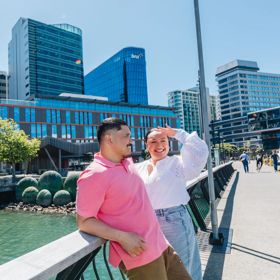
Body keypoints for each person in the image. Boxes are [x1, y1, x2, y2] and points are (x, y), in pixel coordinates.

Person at [76, 118, 191, 280]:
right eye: (127, 136)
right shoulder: (93, 175)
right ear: (109, 139)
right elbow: (84, 222)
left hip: (161, 245)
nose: (131, 141)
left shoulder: (127, 163)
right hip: (140, 255)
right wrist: (122, 237)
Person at [135, 125, 208, 280]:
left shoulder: (177, 164)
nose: (159, 145)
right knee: (161, 271)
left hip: (174, 221)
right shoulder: (138, 168)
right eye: (153, 141)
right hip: (148, 224)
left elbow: (200, 151)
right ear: (147, 146)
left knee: (183, 269)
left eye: (163, 140)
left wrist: (178, 133)